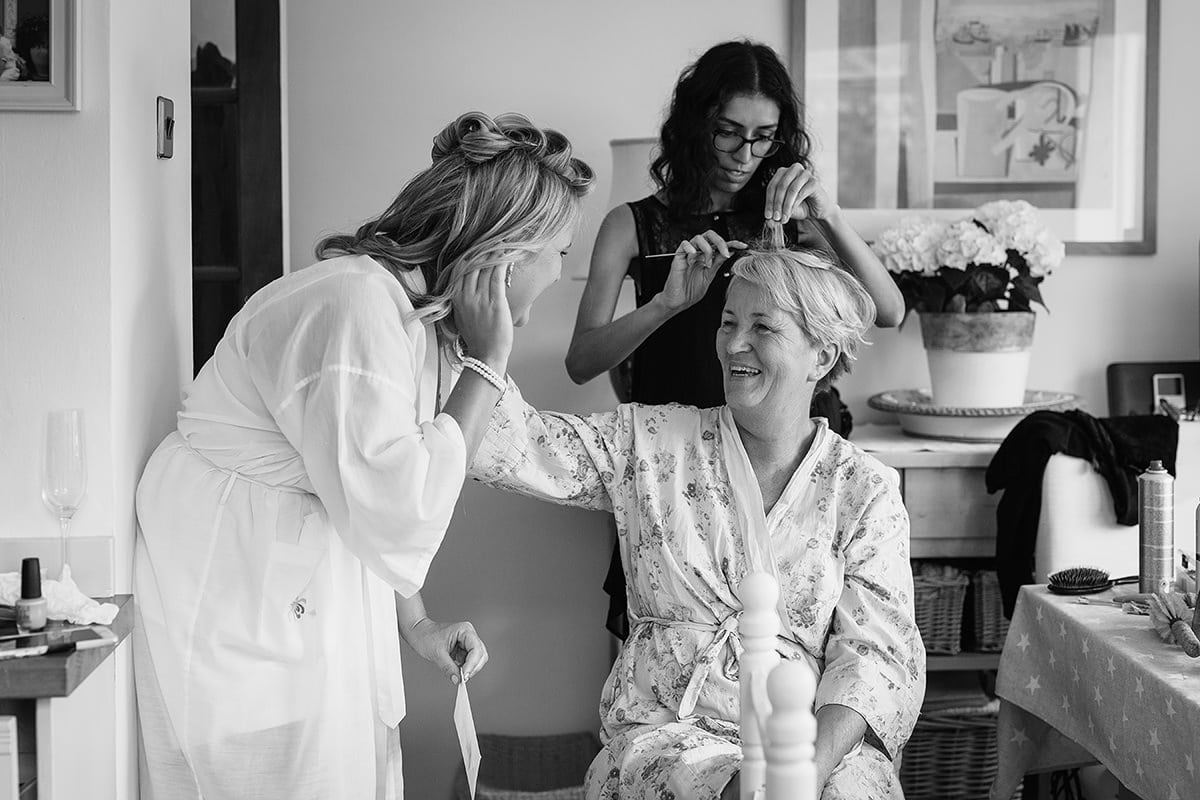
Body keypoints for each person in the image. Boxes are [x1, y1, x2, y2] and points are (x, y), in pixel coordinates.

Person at [133, 111, 595, 800]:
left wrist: (417, 621)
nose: (563, 271)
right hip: (242, 597)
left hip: (298, 585)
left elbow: (375, 485)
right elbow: (401, 510)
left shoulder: (405, 316)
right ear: (507, 249)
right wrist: (488, 366)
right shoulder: (357, 308)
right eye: (560, 251)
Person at [473, 246, 925, 799]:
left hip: (807, 736)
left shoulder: (863, 490)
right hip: (670, 737)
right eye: (728, 322)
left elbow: (877, 657)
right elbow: (514, 444)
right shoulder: (652, 442)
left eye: (763, 327)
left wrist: (803, 768)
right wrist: (473, 341)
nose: (735, 343)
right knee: (733, 790)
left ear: (822, 356)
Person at [565, 40, 905, 639]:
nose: (745, 154)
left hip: (786, 452)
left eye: (764, 137)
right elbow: (582, 360)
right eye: (727, 132)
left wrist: (829, 216)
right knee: (660, 634)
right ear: (696, 126)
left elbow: (888, 311)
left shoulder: (792, 219)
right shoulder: (634, 224)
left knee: (795, 638)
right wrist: (666, 305)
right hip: (678, 458)